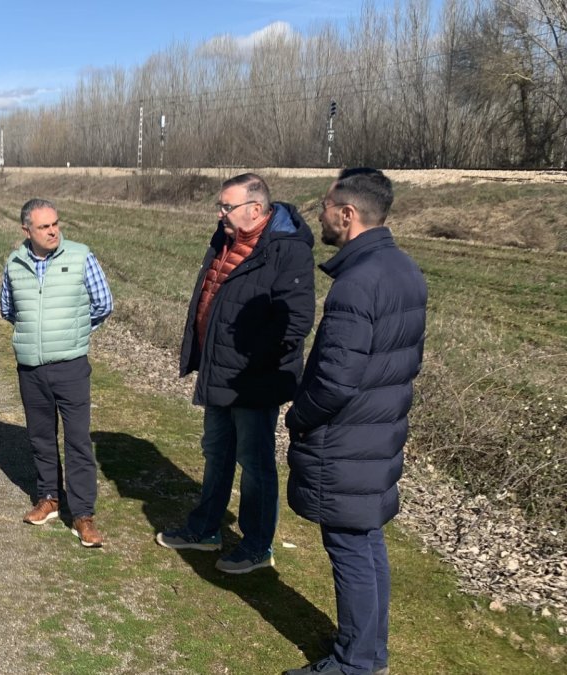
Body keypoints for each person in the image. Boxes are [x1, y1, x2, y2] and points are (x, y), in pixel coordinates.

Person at [283, 168, 426, 675]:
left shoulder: (356, 285)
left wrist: (298, 416)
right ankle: (370, 652)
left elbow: (335, 381)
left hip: (347, 440)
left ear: (348, 214)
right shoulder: (403, 268)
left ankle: (355, 662)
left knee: (349, 549)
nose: (318, 213)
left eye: (325, 204)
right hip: (377, 432)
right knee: (366, 543)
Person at [156, 173, 315, 574]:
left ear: (256, 209)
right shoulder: (224, 239)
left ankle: (257, 545)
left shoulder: (286, 251)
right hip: (218, 369)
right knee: (216, 451)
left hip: (252, 379)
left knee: (255, 462)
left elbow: (295, 323)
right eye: (220, 206)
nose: (220, 213)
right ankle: (206, 528)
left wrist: (252, 362)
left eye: (227, 207)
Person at [0, 198, 112, 547]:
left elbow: (103, 303)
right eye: (44, 226)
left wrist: (75, 332)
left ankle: (83, 516)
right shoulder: (14, 262)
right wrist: (36, 335)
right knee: (40, 437)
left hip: (71, 366)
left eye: (55, 224)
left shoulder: (80, 256)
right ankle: (48, 498)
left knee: (78, 440)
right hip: (31, 367)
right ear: (26, 231)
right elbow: (8, 309)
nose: (53, 231)